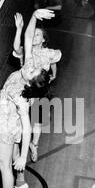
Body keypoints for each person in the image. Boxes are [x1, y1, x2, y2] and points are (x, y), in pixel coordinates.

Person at [0, 9, 54, 188]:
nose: (29, 67)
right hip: (7, 121)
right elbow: (27, 38)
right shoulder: (28, 71)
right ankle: (21, 181)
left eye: (33, 71)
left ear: (32, 82)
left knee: (3, 165)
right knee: (11, 159)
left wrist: (25, 156)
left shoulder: (22, 98)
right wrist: (34, 16)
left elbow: (26, 128)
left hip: (8, 128)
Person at [12, 12, 61, 177]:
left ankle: (34, 145)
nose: (34, 36)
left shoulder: (48, 52)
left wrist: (53, 73)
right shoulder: (27, 52)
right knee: (23, 122)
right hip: (25, 90)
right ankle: (19, 157)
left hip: (41, 91)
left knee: (37, 122)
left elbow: (56, 60)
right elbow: (16, 47)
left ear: (43, 39)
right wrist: (19, 29)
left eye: (37, 34)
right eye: (33, 34)